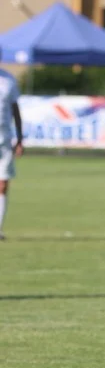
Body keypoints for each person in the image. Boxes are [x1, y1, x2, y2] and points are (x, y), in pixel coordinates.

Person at [0, 63, 25, 241]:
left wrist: (20, 138)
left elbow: (15, 110)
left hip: (4, 141)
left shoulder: (8, 80)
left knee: (2, 185)